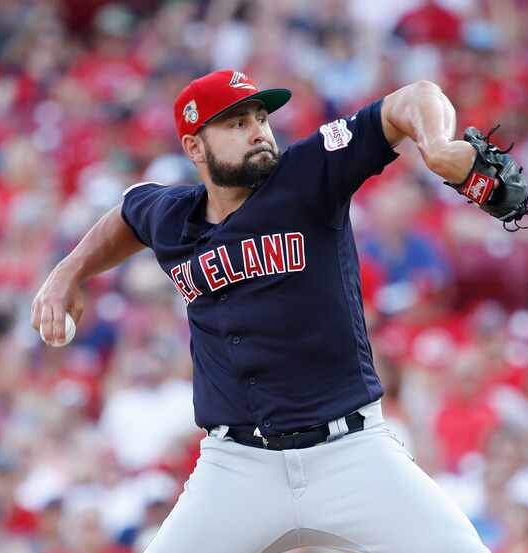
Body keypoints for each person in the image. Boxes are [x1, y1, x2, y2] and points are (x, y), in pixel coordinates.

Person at [31, 69, 492, 553]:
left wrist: (437, 144)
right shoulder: (172, 216)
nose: (257, 130)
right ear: (194, 148)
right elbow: (128, 213)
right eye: (234, 123)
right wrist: (69, 271)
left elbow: (414, 98)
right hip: (235, 468)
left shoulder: (308, 176)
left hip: (352, 452)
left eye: (259, 117)